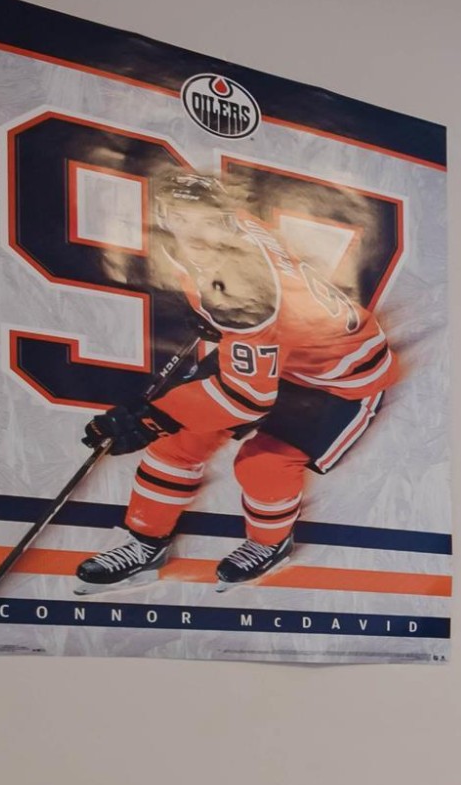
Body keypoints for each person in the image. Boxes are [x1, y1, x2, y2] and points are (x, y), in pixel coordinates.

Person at [71, 172, 401, 593]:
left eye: (208, 221)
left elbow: (246, 398)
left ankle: (270, 544)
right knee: (177, 443)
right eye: (182, 218)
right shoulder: (235, 228)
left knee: (262, 463)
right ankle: (144, 542)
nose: (197, 233)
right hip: (277, 351)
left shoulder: (245, 291)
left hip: (341, 376)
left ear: (227, 220)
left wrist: (154, 416)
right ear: (163, 215)